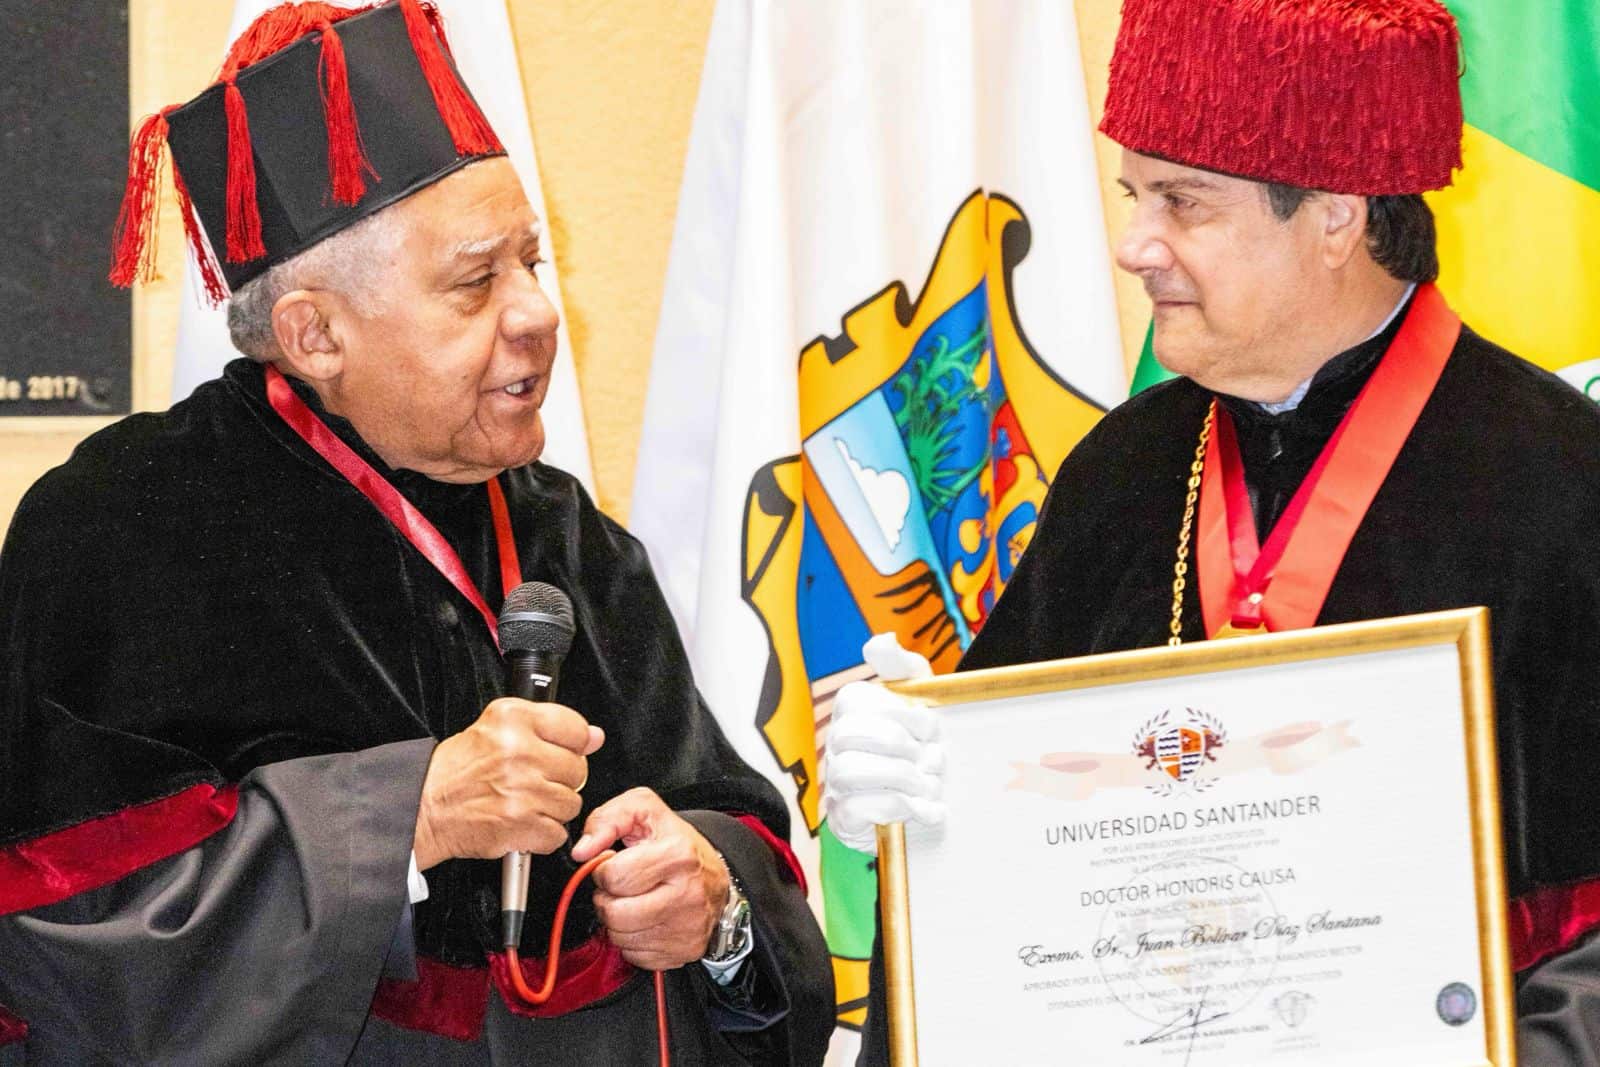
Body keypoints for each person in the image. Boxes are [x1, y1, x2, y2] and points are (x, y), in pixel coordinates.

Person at [0, 3, 832, 1063]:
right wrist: (407, 818)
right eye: (477, 281)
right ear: (314, 333)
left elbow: (733, 843)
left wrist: (710, 901)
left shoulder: (573, 541)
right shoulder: (124, 528)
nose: (536, 313)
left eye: (532, 261)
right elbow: (63, 942)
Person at [823, 0, 1600, 1062]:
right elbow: (1025, 865)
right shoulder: (1122, 472)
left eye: (1182, 203)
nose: (1133, 246)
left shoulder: (1565, 479)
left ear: (1335, 215)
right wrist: (925, 816)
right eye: (1132, 193)